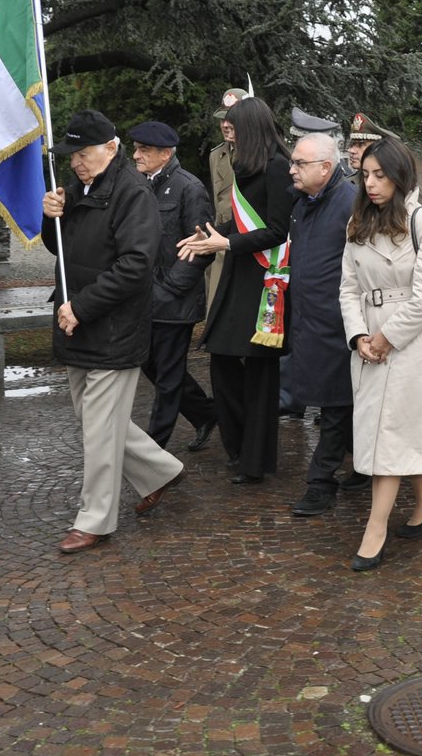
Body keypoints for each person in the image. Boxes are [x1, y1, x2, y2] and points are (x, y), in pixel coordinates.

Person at [42, 110, 186, 553]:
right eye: (72, 156)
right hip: (77, 322)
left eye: (84, 154)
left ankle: (95, 520)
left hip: (112, 328)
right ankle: (160, 470)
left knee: (99, 431)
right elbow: (62, 250)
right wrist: (51, 218)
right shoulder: (82, 188)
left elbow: (136, 266)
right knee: (97, 422)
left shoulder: (132, 194)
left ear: (111, 147)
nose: (77, 163)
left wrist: (81, 307)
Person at [339, 140, 422, 570]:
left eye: (380, 175)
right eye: (365, 174)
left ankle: (375, 528)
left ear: (401, 175)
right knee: (392, 428)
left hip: (411, 341)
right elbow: (348, 287)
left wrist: (387, 337)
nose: (370, 183)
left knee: (388, 434)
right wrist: (359, 336)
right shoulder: (358, 222)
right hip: (368, 342)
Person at [178, 96, 294, 483]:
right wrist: (210, 236)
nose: (230, 134)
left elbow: (277, 230)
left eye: (235, 127)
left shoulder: (278, 168)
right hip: (237, 277)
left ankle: (255, 459)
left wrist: (225, 244)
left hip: (265, 281)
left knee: (259, 372)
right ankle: (236, 444)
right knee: (222, 361)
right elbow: (242, 226)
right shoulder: (244, 166)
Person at [128, 120, 217, 453]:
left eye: (143, 150)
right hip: (141, 298)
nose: (135, 155)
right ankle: (208, 413)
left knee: (167, 377)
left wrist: (170, 288)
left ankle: (153, 453)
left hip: (173, 301)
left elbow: (202, 246)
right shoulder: (136, 183)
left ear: (165, 154)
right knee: (155, 367)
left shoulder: (189, 188)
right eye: (135, 148)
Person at [285, 132, 360, 516]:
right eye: (294, 162)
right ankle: (362, 464)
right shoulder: (302, 203)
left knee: (334, 403)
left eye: (300, 163)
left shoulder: (349, 203)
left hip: (339, 324)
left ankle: (321, 483)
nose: (292, 169)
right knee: (337, 402)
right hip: (309, 318)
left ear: (326, 168)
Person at [203, 87, 245, 318]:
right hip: (220, 241)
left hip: (247, 241)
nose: (226, 124)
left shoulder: (260, 156)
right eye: (223, 119)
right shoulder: (216, 155)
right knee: (217, 310)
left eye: (232, 119)